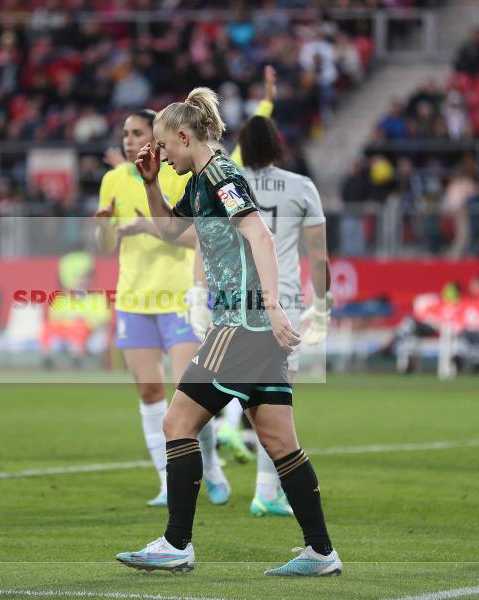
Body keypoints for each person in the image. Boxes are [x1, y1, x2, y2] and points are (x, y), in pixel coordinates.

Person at [116, 88, 341, 576]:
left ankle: (177, 544)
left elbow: (259, 233)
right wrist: (152, 184)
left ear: (182, 135)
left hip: (243, 322)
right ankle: (321, 552)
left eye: (163, 147)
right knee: (279, 440)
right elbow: (172, 233)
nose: (160, 155)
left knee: (177, 424)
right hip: (252, 325)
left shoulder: (219, 173)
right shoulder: (197, 181)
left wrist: (273, 307)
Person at [190, 114, 331, 518]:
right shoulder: (300, 187)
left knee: (211, 388)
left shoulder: (223, 180)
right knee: (278, 400)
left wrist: (198, 293)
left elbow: (206, 241)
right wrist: (323, 305)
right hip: (280, 301)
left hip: (234, 299)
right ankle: (267, 490)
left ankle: (219, 454)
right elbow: (319, 253)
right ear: (278, 145)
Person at [94, 108, 230, 507]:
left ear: (157, 138)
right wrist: (103, 225)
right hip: (134, 299)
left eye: (138, 133)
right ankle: (167, 481)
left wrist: (145, 226)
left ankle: (213, 468)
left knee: (185, 392)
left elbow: (197, 239)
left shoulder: (175, 172)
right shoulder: (113, 180)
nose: (129, 140)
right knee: (149, 391)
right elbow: (105, 246)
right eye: (125, 133)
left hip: (178, 296)